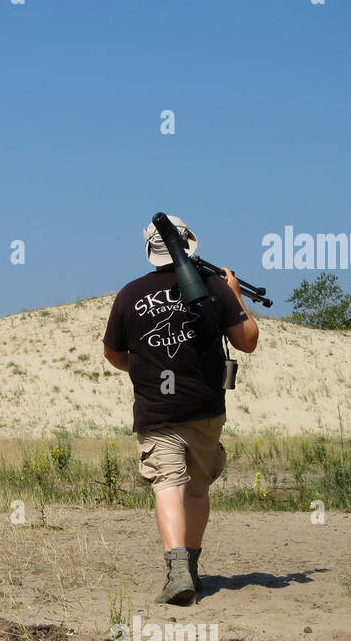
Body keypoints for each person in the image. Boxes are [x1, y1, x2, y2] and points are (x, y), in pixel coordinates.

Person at [102, 215, 258, 605]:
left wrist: (143, 371)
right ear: (189, 244)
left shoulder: (129, 295)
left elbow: (113, 353)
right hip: (205, 406)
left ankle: (177, 573)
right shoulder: (213, 288)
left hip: (156, 409)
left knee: (166, 483)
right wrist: (234, 292)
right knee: (197, 487)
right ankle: (192, 567)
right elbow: (248, 342)